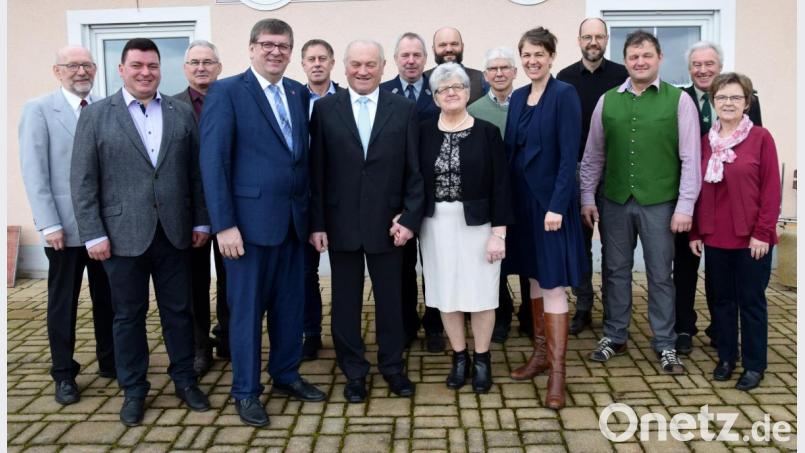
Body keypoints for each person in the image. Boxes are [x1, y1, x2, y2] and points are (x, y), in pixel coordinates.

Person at [71, 38, 211, 426]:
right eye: (137, 66)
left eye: (152, 65)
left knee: (179, 312)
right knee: (128, 316)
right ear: (121, 69)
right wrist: (92, 233)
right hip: (120, 236)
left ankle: (184, 380)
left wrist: (201, 219)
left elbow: (196, 174)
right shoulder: (97, 115)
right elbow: (83, 181)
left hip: (175, 233)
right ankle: (134, 390)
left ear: (159, 69)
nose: (145, 72)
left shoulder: (180, 112)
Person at [199, 19, 326, 428]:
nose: (276, 51)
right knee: (247, 314)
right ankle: (246, 391)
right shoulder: (227, 91)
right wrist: (224, 225)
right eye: (268, 44)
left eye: (283, 45)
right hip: (246, 230)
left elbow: (302, 160)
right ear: (251, 48)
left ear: (291, 52)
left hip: (292, 224)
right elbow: (214, 163)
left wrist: (311, 219)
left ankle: (286, 374)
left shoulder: (297, 92)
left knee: (290, 308)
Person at [580, 30, 701, 376]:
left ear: (659, 58)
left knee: (661, 275)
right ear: (626, 61)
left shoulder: (679, 101)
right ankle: (615, 335)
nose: (640, 62)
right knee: (615, 271)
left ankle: (664, 343)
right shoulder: (608, 101)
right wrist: (587, 195)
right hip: (615, 200)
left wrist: (685, 206)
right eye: (633, 57)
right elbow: (593, 156)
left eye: (646, 55)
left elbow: (691, 158)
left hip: (661, 202)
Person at [309, 39, 424, 404]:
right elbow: (317, 172)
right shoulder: (325, 110)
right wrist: (317, 223)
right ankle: (354, 371)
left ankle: (392, 367)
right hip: (341, 223)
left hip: (389, 225)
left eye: (370, 64)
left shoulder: (404, 109)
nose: (362, 71)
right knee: (345, 304)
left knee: (391, 303)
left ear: (383, 66)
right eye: (356, 64)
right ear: (344, 67)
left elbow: (415, 172)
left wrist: (409, 218)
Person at [19, 45, 116, 405]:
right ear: (57, 71)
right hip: (64, 230)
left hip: (105, 229)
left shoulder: (105, 108)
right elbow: (34, 171)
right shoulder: (39, 110)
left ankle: (111, 362)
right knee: (64, 304)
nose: (81, 72)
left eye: (87, 65)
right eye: (73, 65)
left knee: (108, 299)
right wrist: (48, 224)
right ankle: (63, 373)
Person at [503, 27, 585, 410]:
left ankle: (558, 374)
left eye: (539, 54)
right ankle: (539, 356)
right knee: (533, 279)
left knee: (552, 284)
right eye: (527, 55)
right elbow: (510, 153)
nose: (532, 61)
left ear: (552, 56)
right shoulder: (518, 96)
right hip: (522, 204)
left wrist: (557, 205)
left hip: (551, 206)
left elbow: (570, 156)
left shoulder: (564, 94)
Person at [419, 62, 513, 393]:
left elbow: (502, 185)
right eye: (444, 89)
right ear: (434, 97)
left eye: (457, 87)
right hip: (435, 225)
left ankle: (483, 358)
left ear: (469, 92)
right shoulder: (423, 132)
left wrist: (498, 233)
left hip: (478, 225)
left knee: (483, 293)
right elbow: (414, 182)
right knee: (447, 293)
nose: (451, 93)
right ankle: (460, 357)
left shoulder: (487, 132)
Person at [688, 72, 780, 391]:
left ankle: (754, 365)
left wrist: (763, 233)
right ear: (713, 102)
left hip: (751, 239)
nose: (728, 103)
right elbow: (699, 191)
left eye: (735, 97)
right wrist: (696, 232)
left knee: (751, 302)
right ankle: (726, 357)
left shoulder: (761, 138)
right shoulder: (705, 142)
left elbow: (771, 191)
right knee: (721, 301)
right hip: (715, 237)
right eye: (722, 97)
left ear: (747, 103)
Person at [674, 41, 764, 355]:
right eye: (697, 64)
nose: (703, 69)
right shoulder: (679, 99)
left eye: (709, 63)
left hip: (728, 205)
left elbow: (755, 149)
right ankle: (684, 326)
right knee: (684, 268)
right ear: (689, 69)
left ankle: (720, 328)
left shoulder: (742, 98)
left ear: (719, 65)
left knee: (720, 276)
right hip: (690, 200)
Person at [556, 18, 628, 336]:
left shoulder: (622, 76)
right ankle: (583, 306)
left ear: (607, 39)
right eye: (588, 36)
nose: (593, 42)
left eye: (599, 36)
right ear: (579, 40)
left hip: (614, 172)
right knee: (579, 245)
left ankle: (614, 311)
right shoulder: (565, 78)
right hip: (575, 170)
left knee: (613, 247)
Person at [380, 32, 443, 352]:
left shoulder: (440, 91)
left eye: (417, 55)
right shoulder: (382, 93)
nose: (411, 60)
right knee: (400, 266)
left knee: (432, 263)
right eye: (404, 55)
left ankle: (434, 325)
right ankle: (405, 324)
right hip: (397, 195)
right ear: (395, 59)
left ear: (425, 59)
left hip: (434, 191)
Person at [466, 46, 530, 344]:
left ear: (515, 73)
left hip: (527, 195)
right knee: (497, 264)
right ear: (485, 75)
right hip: (493, 199)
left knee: (530, 259)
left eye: (505, 68)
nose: (500, 73)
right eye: (493, 69)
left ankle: (531, 315)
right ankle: (501, 316)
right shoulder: (475, 110)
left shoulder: (528, 103)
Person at [172, 39, 225, 376]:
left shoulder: (233, 99)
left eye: (208, 62)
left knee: (232, 280)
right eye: (194, 62)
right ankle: (198, 346)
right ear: (185, 68)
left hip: (230, 209)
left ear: (218, 67)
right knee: (194, 283)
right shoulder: (170, 106)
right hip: (188, 212)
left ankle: (230, 338)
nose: (201, 67)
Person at [299, 38, 341, 361]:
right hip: (302, 197)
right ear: (303, 64)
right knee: (305, 272)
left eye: (322, 58)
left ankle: (344, 331)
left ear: (331, 63)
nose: (317, 63)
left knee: (344, 271)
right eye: (311, 58)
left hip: (340, 199)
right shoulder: (292, 99)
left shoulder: (346, 100)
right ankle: (310, 332)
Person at [424, 27, 487, 104]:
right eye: (442, 45)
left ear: (462, 47)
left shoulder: (480, 79)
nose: (449, 49)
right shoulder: (423, 80)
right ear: (433, 50)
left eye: (454, 44)